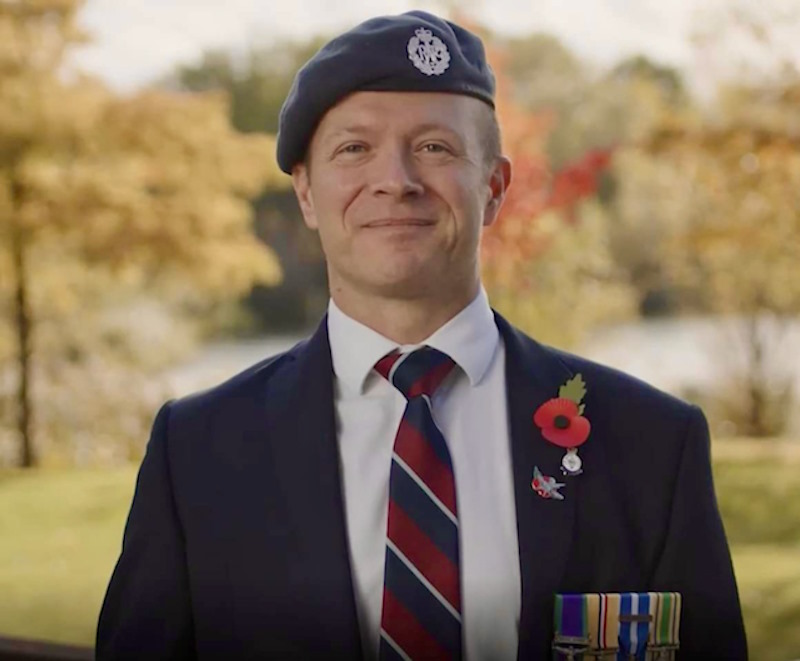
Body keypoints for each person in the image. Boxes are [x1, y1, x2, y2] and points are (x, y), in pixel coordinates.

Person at [96, 11, 747, 661]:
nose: (397, 180)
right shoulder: (199, 454)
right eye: (354, 149)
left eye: (435, 147)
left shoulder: (653, 447)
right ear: (306, 194)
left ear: (493, 187)